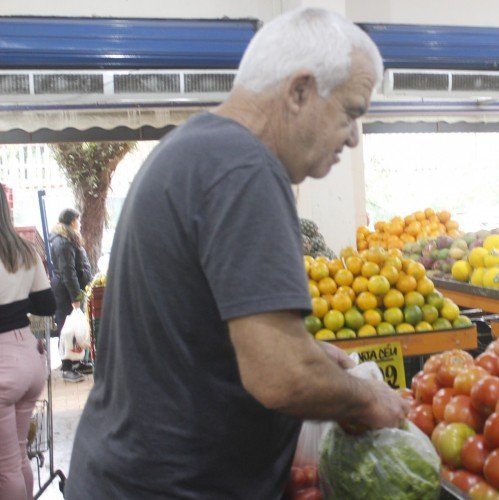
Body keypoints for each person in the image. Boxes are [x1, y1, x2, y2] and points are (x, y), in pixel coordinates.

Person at [66, 8, 408, 499]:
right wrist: (365, 399)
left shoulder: (191, 148)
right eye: (351, 111)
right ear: (299, 91)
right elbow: (281, 377)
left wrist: (305, 351)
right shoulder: (247, 170)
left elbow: (197, 336)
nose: (355, 136)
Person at [0, 183, 56, 500]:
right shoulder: (25, 251)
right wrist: (17, 300)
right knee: (20, 457)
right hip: (29, 357)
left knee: (5, 468)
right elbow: (47, 306)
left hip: (2, 367)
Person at [49, 208, 92, 382]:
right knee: (67, 329)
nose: (79, 223)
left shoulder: (68, 239)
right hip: (66, 292)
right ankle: (67, 366)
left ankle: (76, 361)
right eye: (78, 220)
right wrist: (75, 297)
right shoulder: (63, 242)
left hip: (72, 290)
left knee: (75, 328)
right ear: (72, 221)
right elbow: (68, 271)